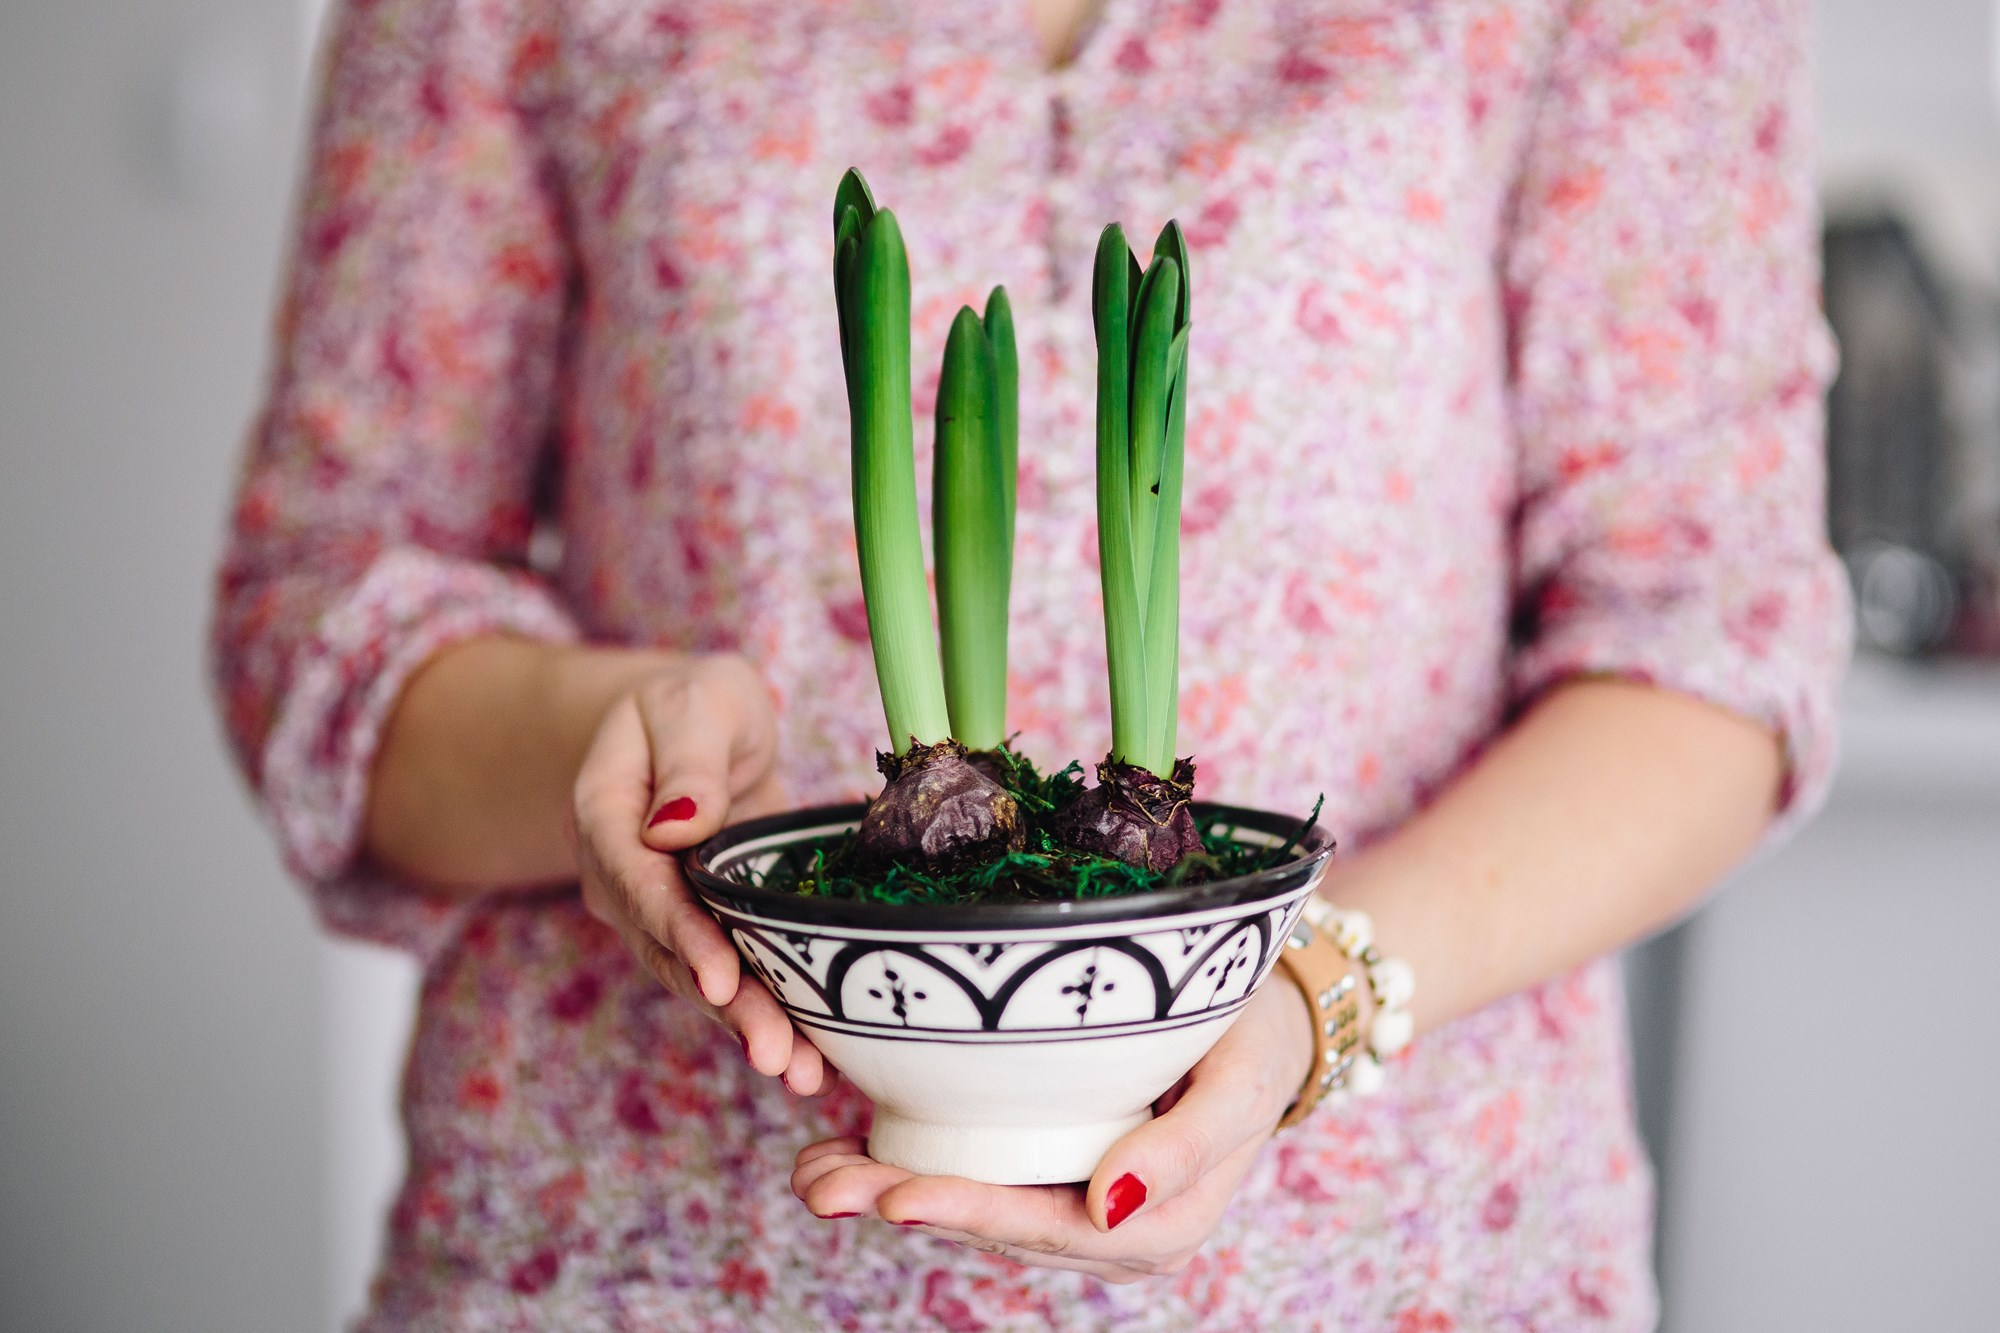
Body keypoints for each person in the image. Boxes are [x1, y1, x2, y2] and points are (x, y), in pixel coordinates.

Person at [212, 0, 1848, 1326]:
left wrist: (1314, 991)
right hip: (651, 1248)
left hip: (1391, 1257)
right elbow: (321, 610)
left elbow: (1714, 638)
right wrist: (622, 739)